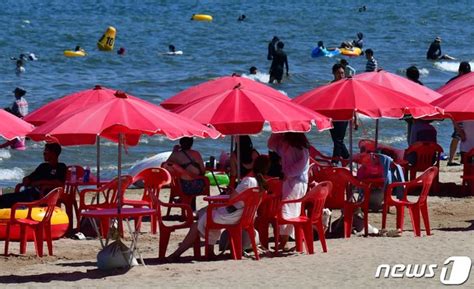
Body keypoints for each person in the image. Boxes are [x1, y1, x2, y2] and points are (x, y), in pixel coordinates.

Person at [167, 155, 270, 260]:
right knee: (208, 216)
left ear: (254, 165)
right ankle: (207, 251)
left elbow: (231, 199)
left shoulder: (248, 181)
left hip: (233, 215)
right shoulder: (262, 184)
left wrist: (231, 192)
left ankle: (178, 254)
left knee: (200, 222)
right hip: (245, 217)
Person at [268, 132, 310, 249]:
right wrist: (276, 132)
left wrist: (287, 173)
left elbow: (300, 167)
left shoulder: (299, 148)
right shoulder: (289, 146)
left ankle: (286, 241)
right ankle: (286, 241)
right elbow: (271, 145)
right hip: (293, 182)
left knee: (287, 211)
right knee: (290, 211)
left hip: (296, 182)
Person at [0, 143, 67, 208]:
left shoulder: (61, 167)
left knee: (6, 201)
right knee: (3, 198)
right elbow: (30, 177)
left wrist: (40, 182)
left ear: (53, 153)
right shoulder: (43, 166)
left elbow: (59, 183)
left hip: (41, 196)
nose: (43, 154)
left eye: (46, 152)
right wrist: (26, 179)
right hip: (29, 192)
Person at [165, 137, 206, 210]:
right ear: (191, 144)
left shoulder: (175, 155)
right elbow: (203, 171)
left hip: (179, 186)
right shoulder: (196, 154)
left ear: (180, 144)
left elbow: (165, 165)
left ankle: (184, 202)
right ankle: (191, 208)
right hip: (195, 187)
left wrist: (174, 151)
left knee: (191, 179)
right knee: (197, 179)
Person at [446, 62, 471, 166]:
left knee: (463, 135)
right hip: (458, 112)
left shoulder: (455, 81)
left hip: (466, 111)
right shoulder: (454, 82)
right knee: (458, 135)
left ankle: (463, 156)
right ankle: (451, 160)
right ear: (460, 72)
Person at [329, 64, 351, 162]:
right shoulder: (330, 85)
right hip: (332, 116)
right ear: (333, 73)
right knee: (336, 141)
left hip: (343, 116)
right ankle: (347, 158)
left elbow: (352, 102)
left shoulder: (346, 85)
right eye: (338, 73)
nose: (341, 75)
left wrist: (355, 118)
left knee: (338, 140)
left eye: (342, 73)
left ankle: (335, 162)